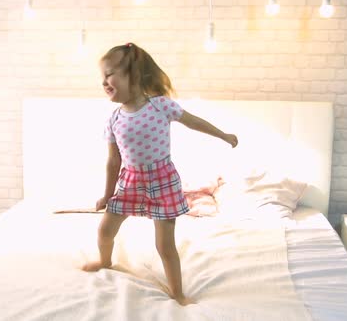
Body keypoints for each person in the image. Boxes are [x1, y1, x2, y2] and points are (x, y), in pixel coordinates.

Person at [82, 43, 238, 306]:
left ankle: (178, 293)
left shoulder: (160, 106)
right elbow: (113, 161)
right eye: (102, 77)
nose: (104, 82)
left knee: (165, 245)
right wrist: (107, 195)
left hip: (162, 181)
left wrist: (223, 135)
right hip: (130, 181)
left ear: (134, 74)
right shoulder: (114, 119)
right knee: (105, 229)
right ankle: (105, 260)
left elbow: (193, 121)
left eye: (109, 74)